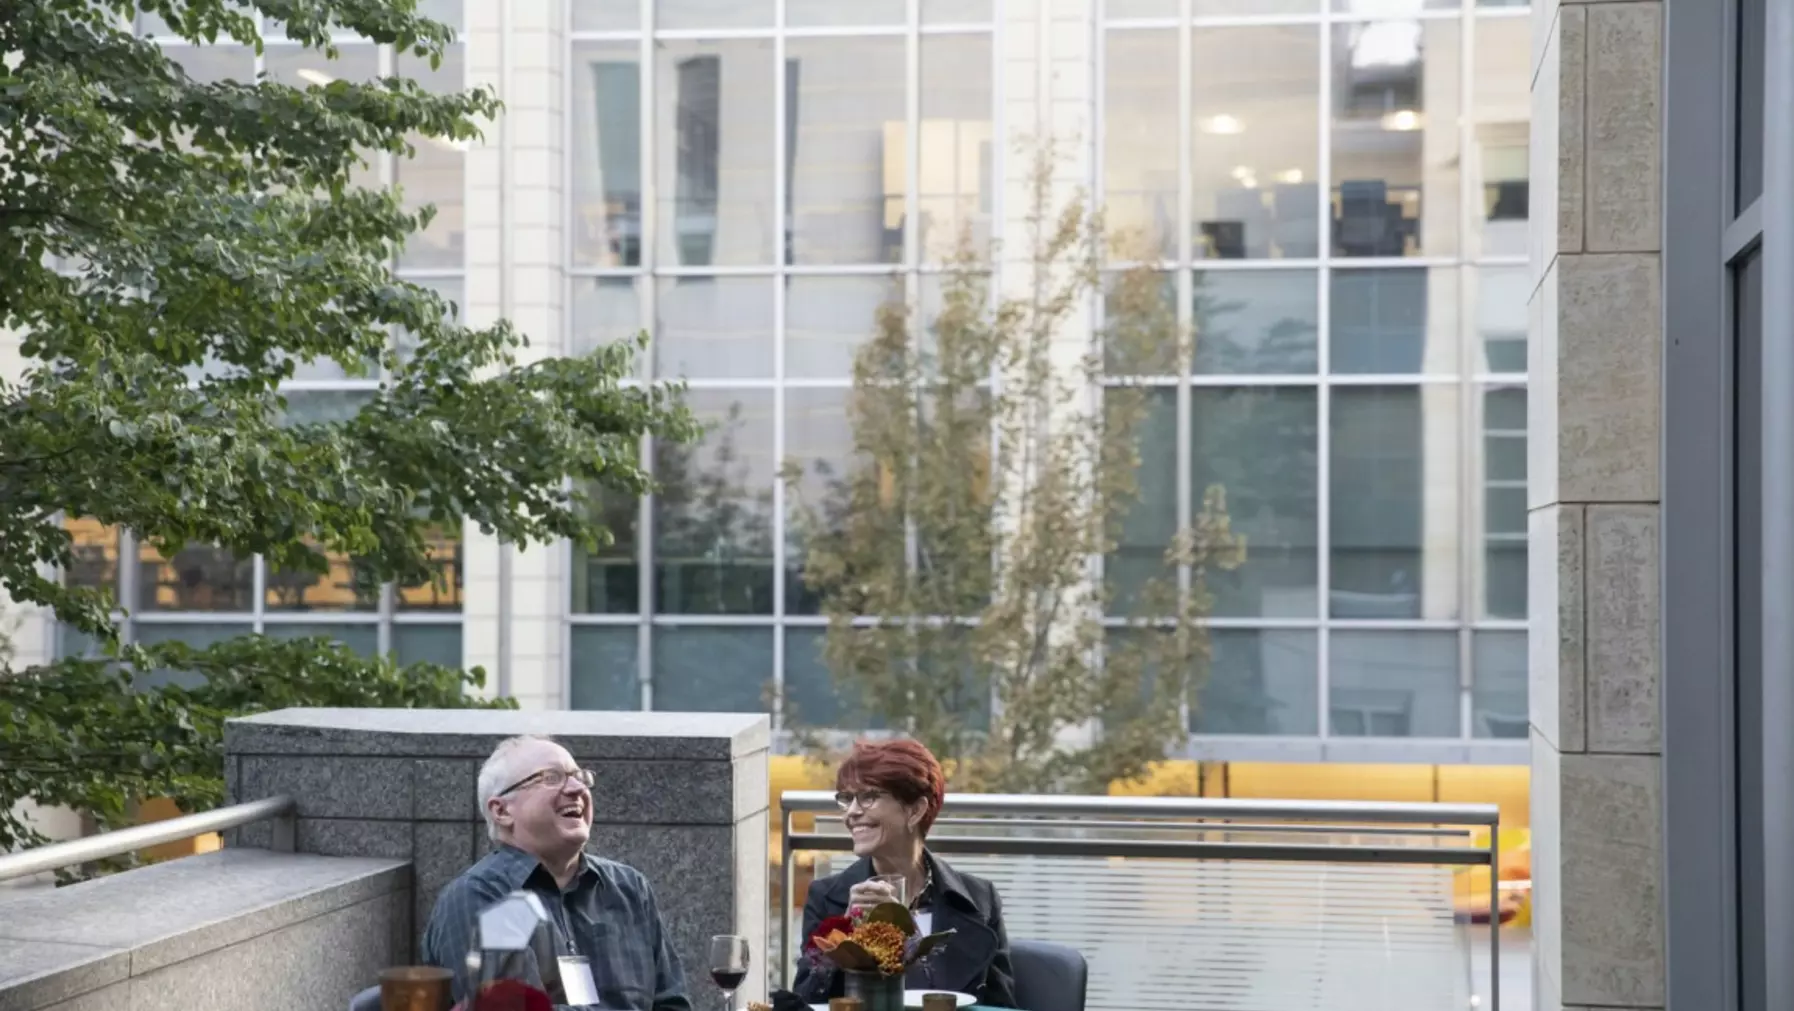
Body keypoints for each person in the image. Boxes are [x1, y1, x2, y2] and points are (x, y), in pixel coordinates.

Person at [422, 735, 692, 1011]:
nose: (577, 788)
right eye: (551, 778)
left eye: (579, 777)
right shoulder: (478, 898)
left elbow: (673, 1005)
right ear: (501, 810)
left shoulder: (628, 888)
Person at [791, 740, 1016, 1008]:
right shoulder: (828, 898)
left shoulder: (980, 901)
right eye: (847, 798)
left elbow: (1001, 1007)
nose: (851, 812)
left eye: (868, 797)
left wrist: (906, 933)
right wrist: (847, 932)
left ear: (915, 810)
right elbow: (806, 1001)